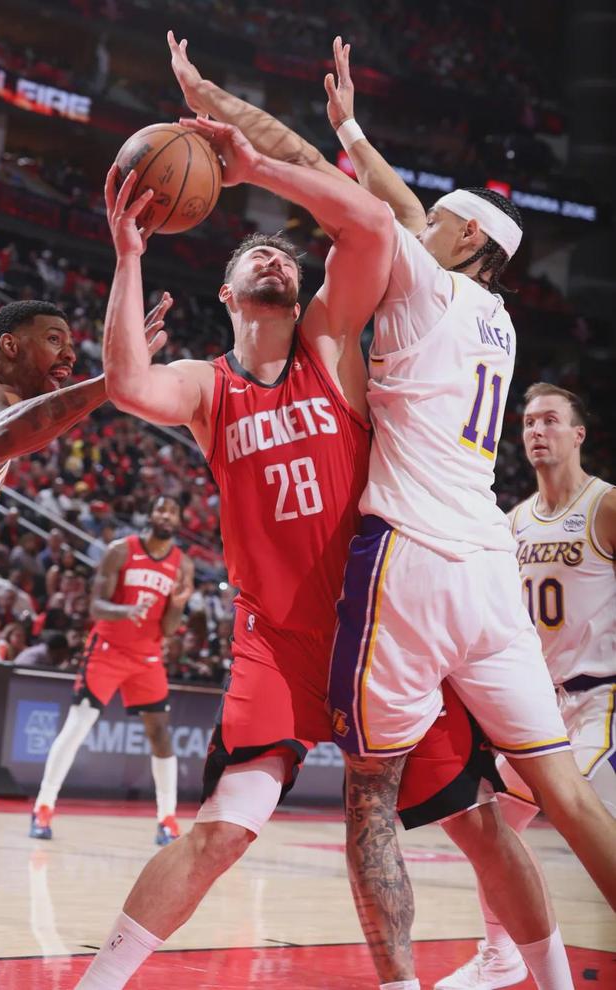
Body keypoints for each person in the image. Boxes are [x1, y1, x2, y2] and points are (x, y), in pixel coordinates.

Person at [76, 112, 568, 990]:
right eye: (254, 256)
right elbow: (128, 384)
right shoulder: (207, 386)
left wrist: (320, 141)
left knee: (477, 823)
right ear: (227, 294)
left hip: (382, 623)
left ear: (303, 291)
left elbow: (373, 228)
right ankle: (99, 982)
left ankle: (546, 977)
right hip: (277, 640)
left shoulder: (330, 348)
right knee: (225, 827)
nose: (273, 259)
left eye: (285, 258)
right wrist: (127, 257)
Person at [165, 32, 616, 990]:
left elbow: (356, 199)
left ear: (462, 240)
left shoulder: (415, 275)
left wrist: (230, 122)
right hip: (490, 562)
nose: (420, 218)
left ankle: (401, 983)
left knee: (370, 793)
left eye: (437, 219)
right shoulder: (494, 312)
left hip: (411, 555)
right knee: (567, 798)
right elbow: (403, 207)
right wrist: (355, 132)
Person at [0, 296, 169, 917]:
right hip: (112, 651)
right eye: (54, 340)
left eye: (72, 344)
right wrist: (111, 382)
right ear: (9, 345)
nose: (69, 354)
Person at [437, 383, 615, 990]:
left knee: (589, 826)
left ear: (578, 434)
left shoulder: (605, 505)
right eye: (529, 422)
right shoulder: (511, 523)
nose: (537, 430)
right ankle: (502, 956)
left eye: (550, 420)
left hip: (601, 701)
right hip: (537, 703)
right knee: (488, 825)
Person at [30, 495, 194, 845]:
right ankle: (43, 806)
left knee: (160, 734)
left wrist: (178, 606)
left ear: (179, 521)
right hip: (107, 649)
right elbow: (96, 606)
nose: (166, 515)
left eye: (172, 512)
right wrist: (127, 611)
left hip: (147, 656)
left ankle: (167, 818)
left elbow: (168, 628)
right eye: (161, 508)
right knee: (78, 725)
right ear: (150, 513)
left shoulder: (183, 565)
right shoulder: (121, 550)